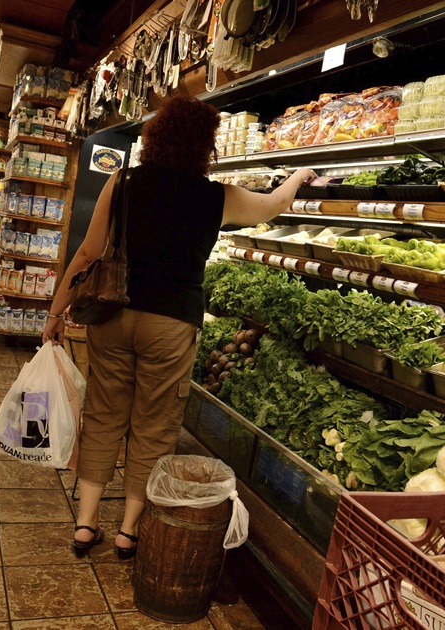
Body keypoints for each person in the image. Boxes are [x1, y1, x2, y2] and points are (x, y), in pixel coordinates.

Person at [43, 96, 315, 559]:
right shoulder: (216, 196)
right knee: (155, 423)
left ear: (154, 138)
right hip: (173, 323)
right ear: (205, 146)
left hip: (113, 313)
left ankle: (86, 525)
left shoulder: (123, 181)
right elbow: (274, 206)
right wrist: (299, 174)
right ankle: (129, 530)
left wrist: (54, 313)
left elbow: (88, 253)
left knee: (106, 414)